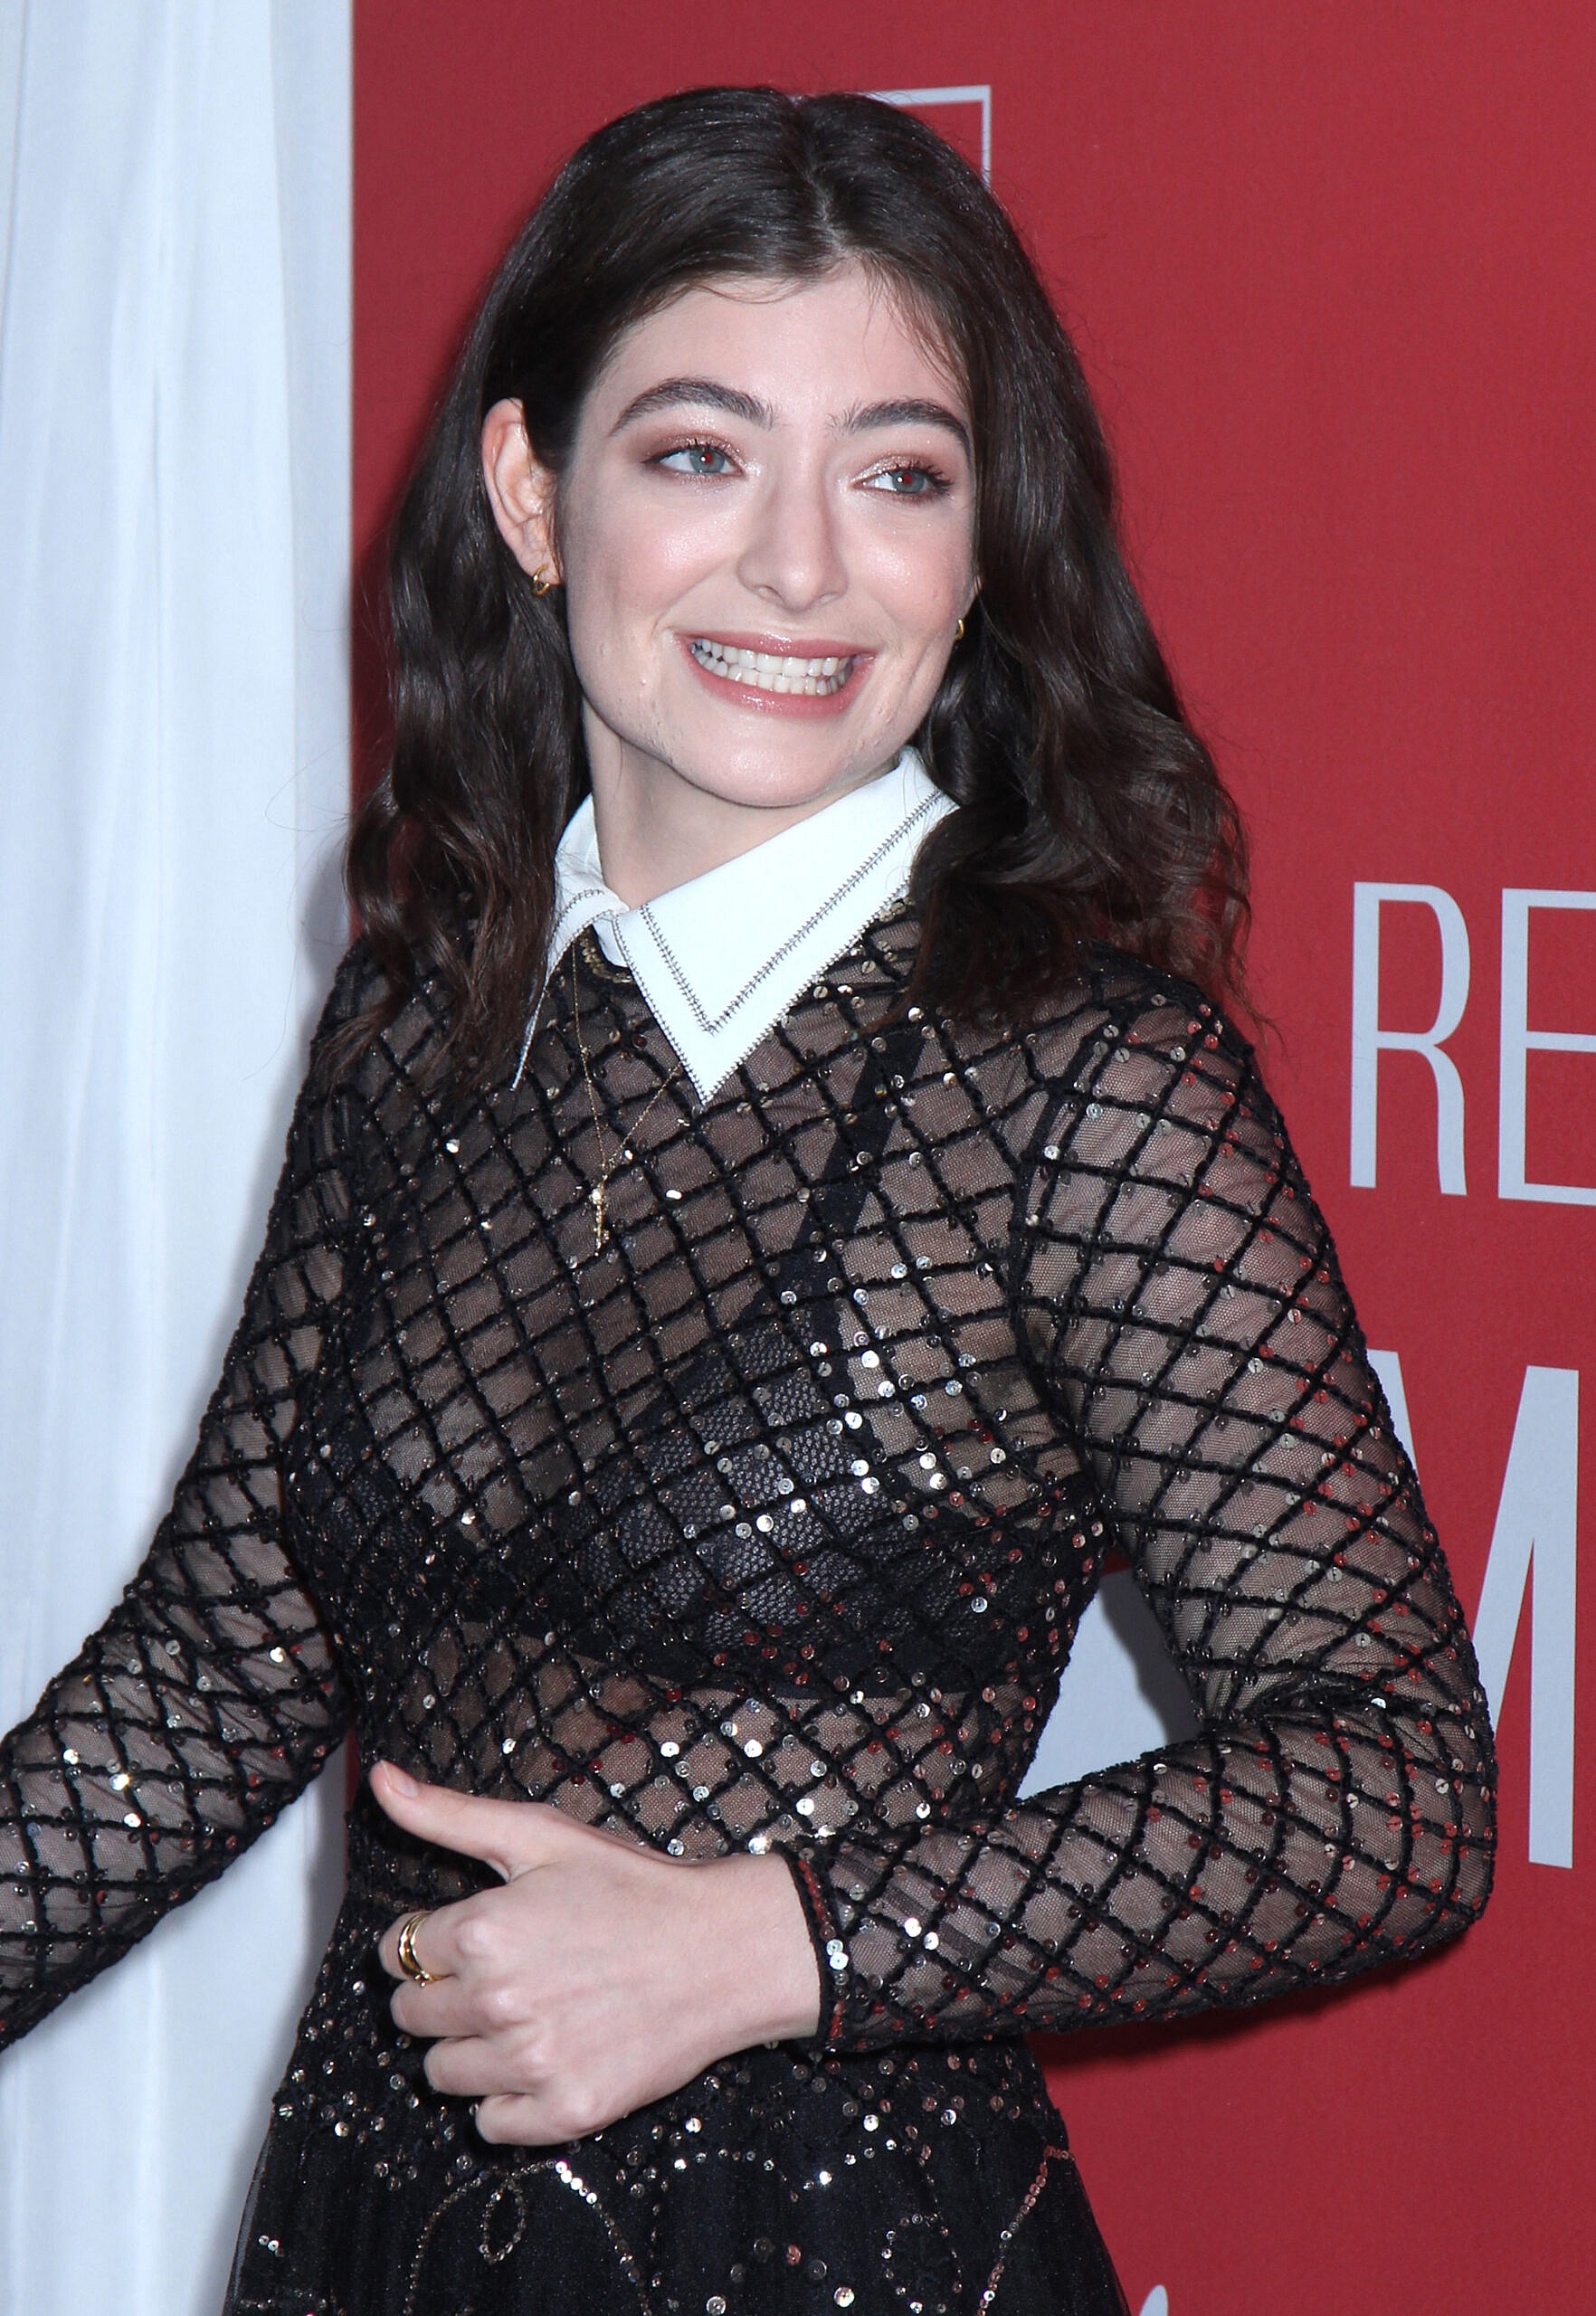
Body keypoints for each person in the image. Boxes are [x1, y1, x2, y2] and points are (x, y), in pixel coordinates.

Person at [0, 85, 1495, 2316]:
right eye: (701, 453)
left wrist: (768, 1940)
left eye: (899, 475)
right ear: (534, 492)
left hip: (831, 2246)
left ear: (980, 550)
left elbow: (1393, 1786)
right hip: (377, 2230)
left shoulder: (1074, 1080)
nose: (802, 565)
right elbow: (218, 1669)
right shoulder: (421, 1020)